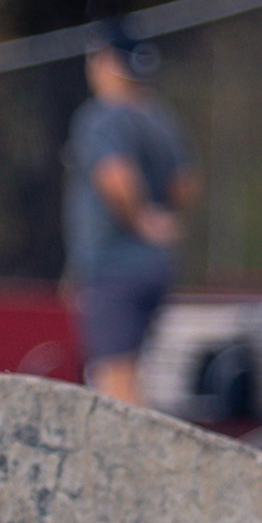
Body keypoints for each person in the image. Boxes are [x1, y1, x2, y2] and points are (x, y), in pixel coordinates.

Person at [67, 23, 201, 406]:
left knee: (115, 376)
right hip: (156, 266)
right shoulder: (161, 118)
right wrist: (162, 218)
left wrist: (141, 220)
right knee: (134, 370)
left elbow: (115, 177)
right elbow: (186, 184)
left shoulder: (101, 117)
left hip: (114, 265)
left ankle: (126, 448)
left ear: (107, 64)